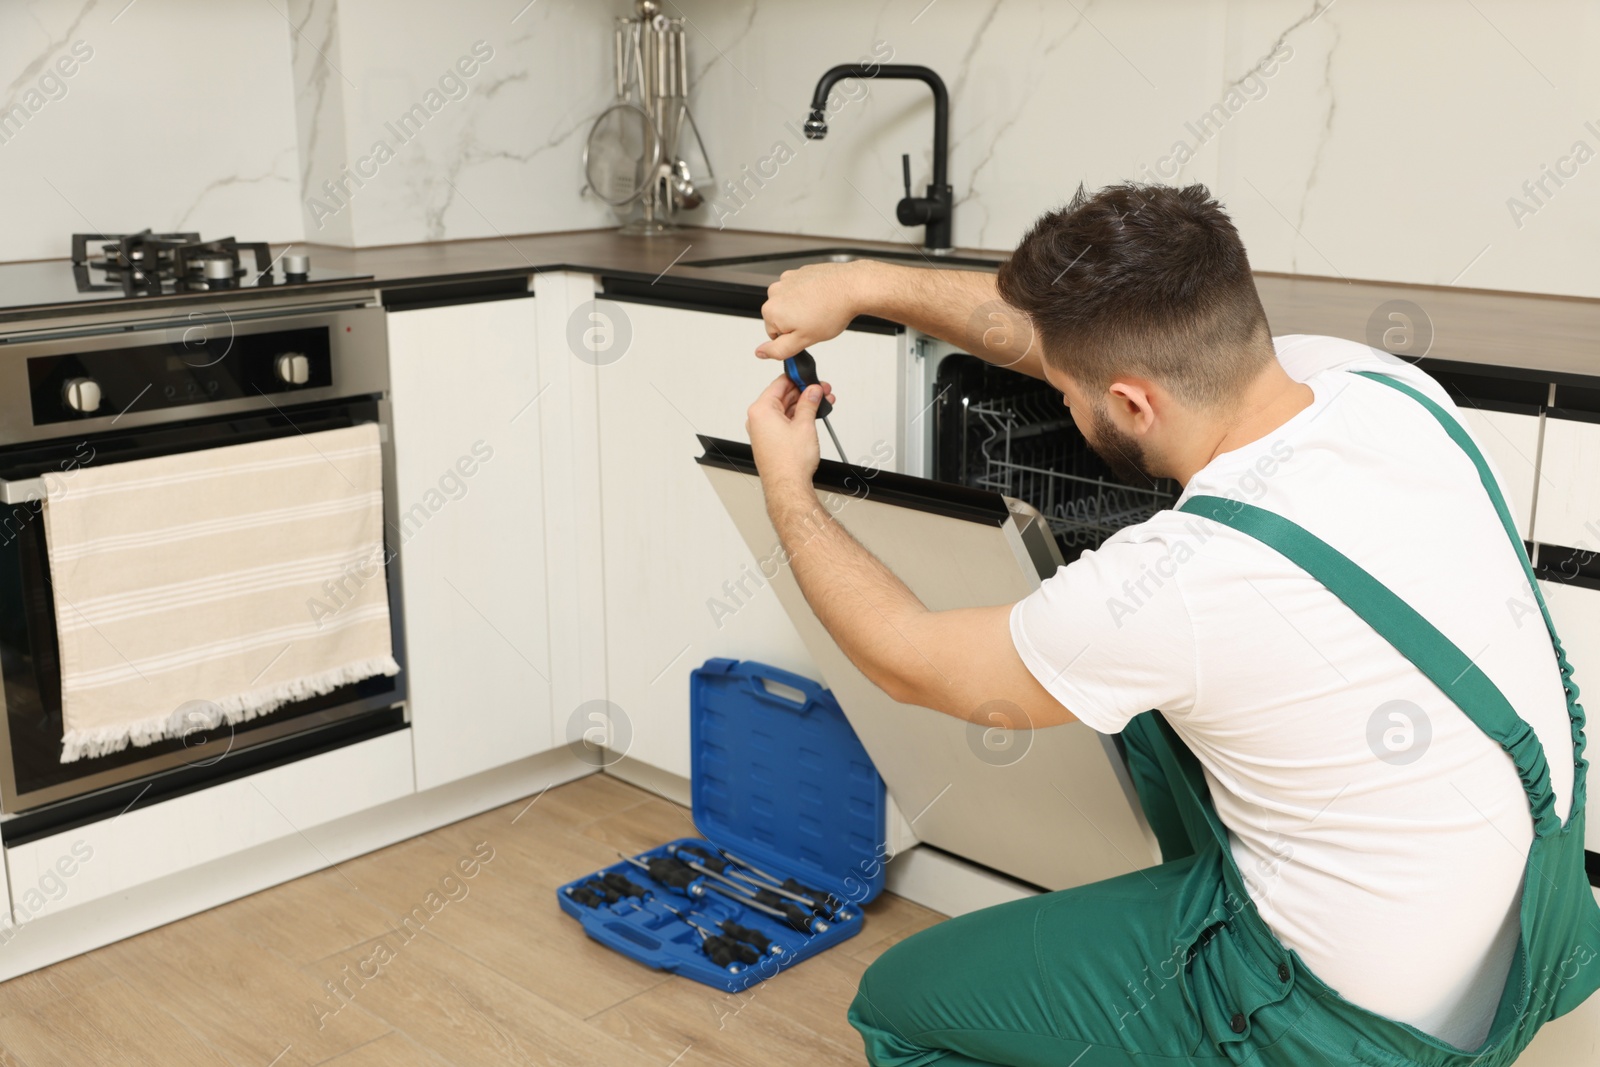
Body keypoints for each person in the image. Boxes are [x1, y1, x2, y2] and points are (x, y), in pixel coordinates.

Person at [741, 183, 1600, 1067]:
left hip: (1350, 1029)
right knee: (1156, 711)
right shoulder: (1376, 383)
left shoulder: (1179, 582)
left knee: (900, 1005)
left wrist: (787, 488)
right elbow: (1064, 341)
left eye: (1072, 396)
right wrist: (860, 282)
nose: (1063, 405)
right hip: (1532, 937)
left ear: (1134, 403)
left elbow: (909, 661)